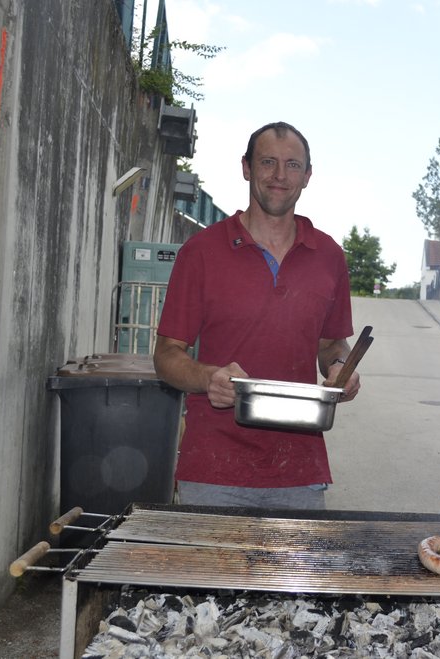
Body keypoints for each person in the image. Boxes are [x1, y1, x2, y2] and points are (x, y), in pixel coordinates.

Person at [153, 121, 361, 510]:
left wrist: (340, 369)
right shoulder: (201, 252)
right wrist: (206, 377)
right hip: (213, 471)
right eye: (268, 162)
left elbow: (333, 344)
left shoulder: (329, 256)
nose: (280, 176)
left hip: (300, 472)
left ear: (308, 176)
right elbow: (166, 355)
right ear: (246, 168)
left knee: (291, 574)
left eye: (292, 165)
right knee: (213, 574)